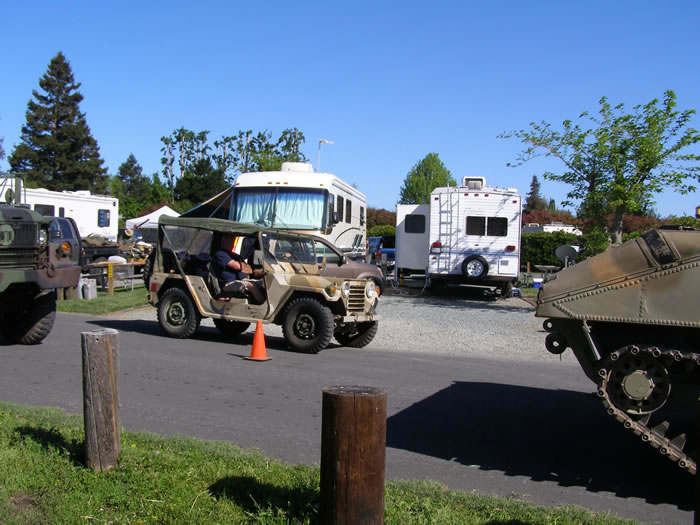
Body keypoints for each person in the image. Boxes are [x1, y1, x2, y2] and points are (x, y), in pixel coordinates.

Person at [213, 234, 265, 303]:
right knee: (251, 285)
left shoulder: (236, 256)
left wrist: (242, 267)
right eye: (228, 238)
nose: (231, 241)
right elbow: (237, 266)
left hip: (243, 280)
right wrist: (242, 267)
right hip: (229, 283)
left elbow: (249, 269)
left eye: (233, 239)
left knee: (264, 283)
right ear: (223, 240)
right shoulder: (221, 254)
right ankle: (263, 303)